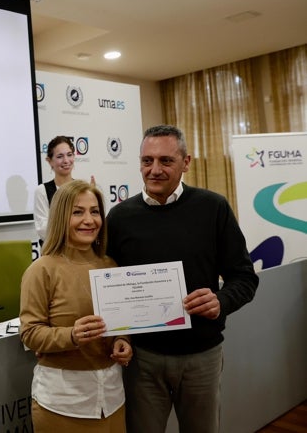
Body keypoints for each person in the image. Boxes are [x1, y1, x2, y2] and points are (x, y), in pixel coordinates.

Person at [106, 124, 259, 433]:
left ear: (186, 162)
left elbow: (244, 277)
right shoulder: (120, 217)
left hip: (201, 357)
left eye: (166, 160)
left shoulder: (213, 208)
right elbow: (110, 287)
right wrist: (119, 334)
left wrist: (221, 301)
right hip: (143, 360)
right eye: (147, 161)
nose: (154, 169)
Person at [20, 179, 132, 432]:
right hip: (62, 404)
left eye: (95, 212)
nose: (89, 220)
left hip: (112, 400)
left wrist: (121, 340)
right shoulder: (41, 270)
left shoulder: (110, 265)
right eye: (78, 212)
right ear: (61, 217)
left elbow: (118, 322)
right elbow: (29, 334)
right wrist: (71, 335)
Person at [34, 136, 76, 243]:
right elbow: (43, 230)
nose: (66, 161)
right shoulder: (42, 191)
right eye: (60, 156)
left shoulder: (81, 189)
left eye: (69, 155)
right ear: (50, 161)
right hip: (54, 253)